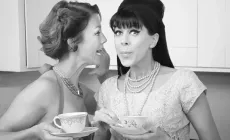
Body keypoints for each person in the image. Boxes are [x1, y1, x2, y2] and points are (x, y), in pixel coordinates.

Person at [93, 0, 221, 140]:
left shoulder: (183, 81)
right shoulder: (107, 88)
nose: (123, 40)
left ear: (153, 40)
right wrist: (99, 130)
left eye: (134, 32)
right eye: (118, 32)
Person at [0, 0, 110, 140]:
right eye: (97, 33)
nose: (104, 39)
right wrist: (34, 132)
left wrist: (104, 75)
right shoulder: (46, 88)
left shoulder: (80, 91)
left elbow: (115, 112)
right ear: (72, 41)